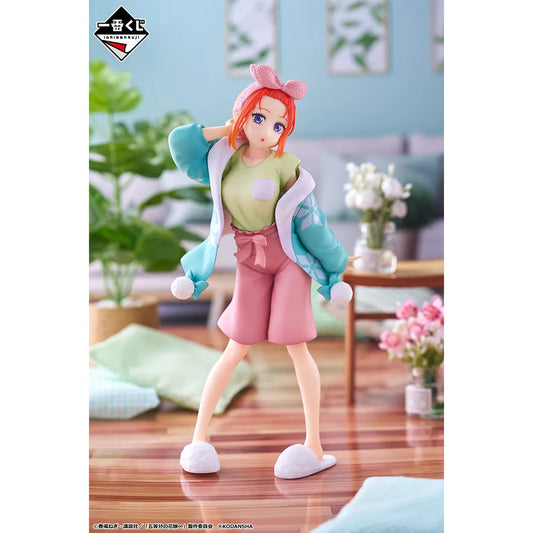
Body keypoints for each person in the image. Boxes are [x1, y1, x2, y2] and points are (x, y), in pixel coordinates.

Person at [168, 64, 353, 479]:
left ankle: (314, 445)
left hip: (287, 261)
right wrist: (227, 128)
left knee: (296, 345)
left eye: (279, 124)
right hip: (249, 261)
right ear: (243, 114)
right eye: (259, 117)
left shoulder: (286, 165)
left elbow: (311, 222)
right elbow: (179, 141)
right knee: (236, 347)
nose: (268, 131)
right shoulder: (223, 159)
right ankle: (198, 439)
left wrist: (337, 265)